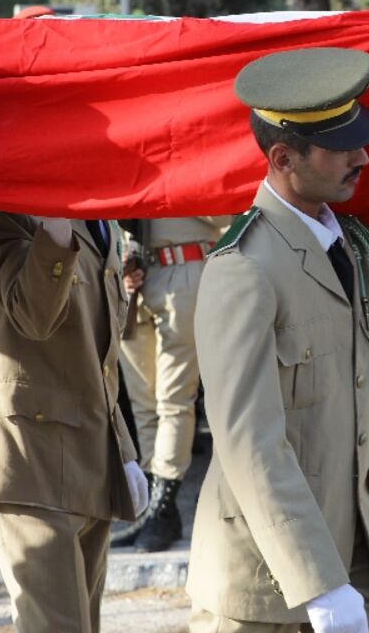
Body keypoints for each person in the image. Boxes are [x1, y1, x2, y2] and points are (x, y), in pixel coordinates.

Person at [185, 47, 369, 633]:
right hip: (269, 583)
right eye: (342, 147)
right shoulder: (244, 268)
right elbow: (250, 442)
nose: (362, 157)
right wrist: (318, 580)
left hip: (353, 545)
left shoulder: (345, 244)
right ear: (284, 158)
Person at [0, 206, 149, 632]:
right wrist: (55, 225)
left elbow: (101, 356)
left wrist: (125, 451)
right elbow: (32, 315)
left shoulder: (97, 216)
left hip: (90, 453)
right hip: (27, 459)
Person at [114, 215, 230, 552]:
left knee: (173, 399)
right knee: (144, 402)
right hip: (129, 278)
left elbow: (227, 210)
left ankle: (164, 507)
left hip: (182, 269)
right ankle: (152, 509)